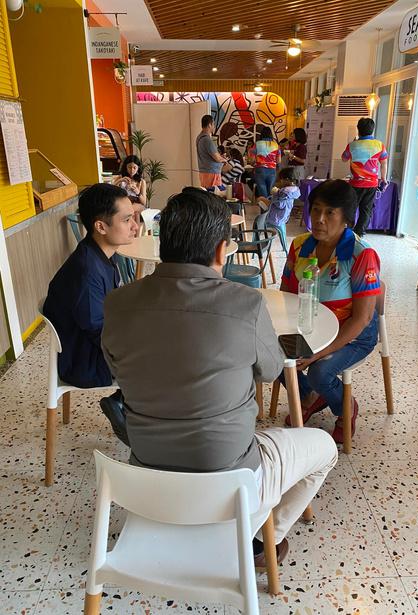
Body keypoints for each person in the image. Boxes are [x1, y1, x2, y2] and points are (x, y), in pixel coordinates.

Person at [102, 188, 337, 565]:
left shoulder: (117, 304)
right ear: (220, 251)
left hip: (146, 479)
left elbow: (117, 370)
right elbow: (271, 370)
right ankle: (258, 540)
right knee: (324, 448)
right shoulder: (245, 303)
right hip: (230, 481)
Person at [280, 179, 381, 443]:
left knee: (319, 371)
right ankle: (311, 396)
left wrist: (317, 354)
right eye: (316, 209)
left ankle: (345, 407)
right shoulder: (300, 245)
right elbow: (285, 293)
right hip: (310, 326)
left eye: (329, 212)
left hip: (353, 335)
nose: (319, 219)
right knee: (273, 354)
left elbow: (362, 318)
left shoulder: (361, 255)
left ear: (346, 218)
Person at [43, 183, 138, 445]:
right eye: (127, 220)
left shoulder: (100, 255)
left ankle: (126, 402)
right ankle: (129, 408)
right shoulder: (87, 270)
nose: (135, 226)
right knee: (167, 353)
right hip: (84, 362)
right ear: (101, 226)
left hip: (90, 346)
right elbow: (98, 330)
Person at [341, 117, 388, 236]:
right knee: (366, 210)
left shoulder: (352, 145)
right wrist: (383, 178)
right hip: (372, 184)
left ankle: (347, 232)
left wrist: (353, 144)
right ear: (372, 129)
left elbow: (344, 159)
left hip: (355, 183)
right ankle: (359, 233)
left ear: (358, 129)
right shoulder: (380, 145)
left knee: (351, 208)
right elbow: (384, 163)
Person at [264, 167, 301, 254]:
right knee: (263, 200)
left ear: (287, 179)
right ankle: (284, 247)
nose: (280, 181)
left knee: (261, 201)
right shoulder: (294, 190)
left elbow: (279, 204)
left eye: (281, 179)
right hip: (284, 217)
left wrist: (275, 193)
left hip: (274, 217)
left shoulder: (284, 192)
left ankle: (259, 241)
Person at [113, 155, 147, 229]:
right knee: (134, 213)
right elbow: (111, 191)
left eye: (134, 167)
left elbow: (144, 202)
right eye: (129, 167)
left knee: (133, 210)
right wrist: (120, 181)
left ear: (138, 168)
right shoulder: (120, 178)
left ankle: (134, 233)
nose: (132, 170)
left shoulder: (141, 181)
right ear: (126, 167)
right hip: (123, 203)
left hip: (137, 204)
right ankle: (132, 233)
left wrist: (137, 192)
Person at [196, 115, 227, 189]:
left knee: (207, 193)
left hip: (204, 172)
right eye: (213, 124)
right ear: (209, 125)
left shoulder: (199, 137)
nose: (214, 126)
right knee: (215, 193)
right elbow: (217, 158)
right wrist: (224, 160)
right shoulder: (207, 140)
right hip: (212, 173)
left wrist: (220, 157)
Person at [254, 126, 281, 197]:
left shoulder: (257, 144)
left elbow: (252, 160)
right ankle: (269, 204)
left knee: (262, 192)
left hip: (260, 169)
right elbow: (279, 161)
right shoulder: (276, 145)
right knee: (270, 192)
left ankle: (263, 203)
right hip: (272, 170)